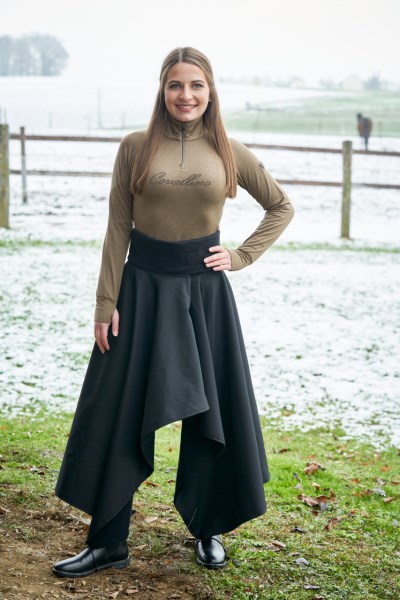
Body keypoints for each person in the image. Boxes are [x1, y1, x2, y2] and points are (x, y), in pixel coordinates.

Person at [52, 47, 295, 577]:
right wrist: (105, 302)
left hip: (204, 295)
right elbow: (118, 226)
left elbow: (281, 206)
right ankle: (108, 541)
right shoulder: (135, 147)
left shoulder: (229, 151)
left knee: (211, 414)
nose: (186, 95)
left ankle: (208, 529)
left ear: (210, 91)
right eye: (175, 85)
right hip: (140, 290)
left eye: (196, 85)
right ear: (162, 90)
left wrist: (241, 255)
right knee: (120, 412)